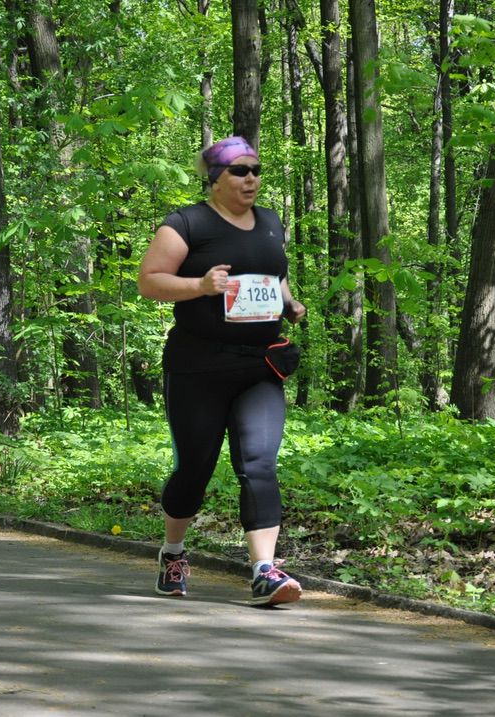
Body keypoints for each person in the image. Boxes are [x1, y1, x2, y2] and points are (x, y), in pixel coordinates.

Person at [137, 136, 307, 606]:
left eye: (256, 170)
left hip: (260, 365)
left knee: (259, 464)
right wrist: (199, 284)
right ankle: (173, 554)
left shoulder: (270, 222)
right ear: (215, 179)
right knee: (195, 468)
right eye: (240, 171)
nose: (252, 178)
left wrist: (289, 302)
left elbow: (275, 273)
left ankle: (264, 571)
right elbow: (149, 281)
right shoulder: (186, 223)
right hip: (198, 366)